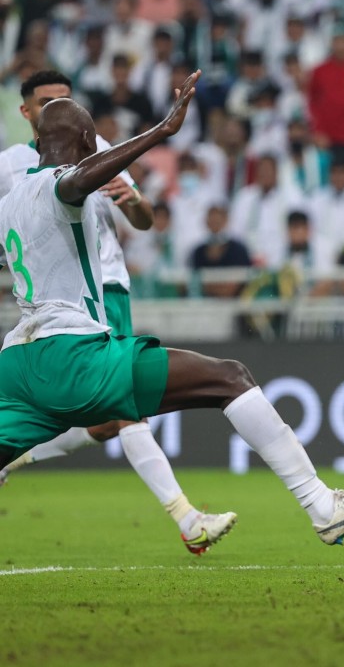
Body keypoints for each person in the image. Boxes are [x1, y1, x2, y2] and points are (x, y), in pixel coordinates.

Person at [0, 70, 344, 551]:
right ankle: (322, 506)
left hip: (18, 363)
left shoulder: (9, 201)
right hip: (74, 355)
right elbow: (75, 182)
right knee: (230, 377)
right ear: (86, 143)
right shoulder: (60, 184)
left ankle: (194, 518)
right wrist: (162, 130)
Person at [0, 70, 240, 556]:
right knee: (122, 407)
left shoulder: (99, 147)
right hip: (56, 301)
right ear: (26, 112)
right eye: (46, 101)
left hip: (107, 284)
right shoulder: (9, 166)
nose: (57, 106)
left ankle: (15, 456)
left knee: (111, 418)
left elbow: (143, 219)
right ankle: (188, 519)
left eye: (64, 98)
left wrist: (134, 201)